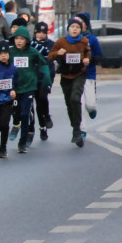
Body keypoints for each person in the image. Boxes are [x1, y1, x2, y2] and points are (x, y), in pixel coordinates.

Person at [46, 16, 91, 147]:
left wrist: (87, 59)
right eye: (72, 27)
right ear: (68, 29)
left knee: (75, 99)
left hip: (79, 74)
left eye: (77, 27)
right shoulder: (61, 42)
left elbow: (88, 53)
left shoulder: (84, 41)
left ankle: (77, 129)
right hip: (66, 76)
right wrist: (58, 53)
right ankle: (75, 126)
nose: (75, 29)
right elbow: (50, 56)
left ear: (80, 30)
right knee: (69, 103)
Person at [6, 26, 50, 153]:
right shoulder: (11, 52)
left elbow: (43, 64)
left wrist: (46, 80)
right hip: (14, 88)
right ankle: (17, 127)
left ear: (27, 40)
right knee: (16, 113)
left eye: (22, 39)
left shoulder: (32, 52)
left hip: (29, 87)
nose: (19, 41)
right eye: (17, 38)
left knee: (25, 114)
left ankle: (22, 142)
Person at [76, 12, 102, 131]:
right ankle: (82, 129)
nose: (78, 26)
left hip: (89, 75)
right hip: (75, 76)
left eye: (80, 23)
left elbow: (99, 56)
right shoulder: (70, 40)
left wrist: (90, 59)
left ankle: (92, 108)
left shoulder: (92, 39)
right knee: (79, 104)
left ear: (86, 25)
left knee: (89, 105)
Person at [31, 21, 56, 140]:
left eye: (43, 32)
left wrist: (50, 80)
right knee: (36, 103)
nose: (41, 34)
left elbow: (53, 63)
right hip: (33, 78)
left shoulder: (51, 44)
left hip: (45, 77)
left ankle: (46, 116)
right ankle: (42, 127)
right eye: (38, 32)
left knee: (42, 98)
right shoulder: (30, 44)